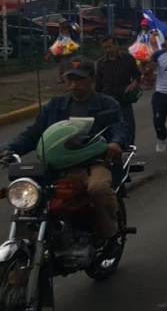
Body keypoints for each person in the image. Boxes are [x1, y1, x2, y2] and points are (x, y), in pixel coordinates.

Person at [6, 58, 128, 249]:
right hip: (56, 165)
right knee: (26, 195)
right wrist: (8, 150)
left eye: (79, 80)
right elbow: (33, 134)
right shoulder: (55, 106)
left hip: (93, 163)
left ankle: (109, 235)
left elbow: (120, 127)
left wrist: (115, 143)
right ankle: (25, 243)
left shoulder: (106, 104)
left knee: (98, 189)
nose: (74, 85)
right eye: (69, 80)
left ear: (92, 79)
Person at [95, 37, 142, 146]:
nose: (108, 50)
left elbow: (137, 75)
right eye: (105, 48)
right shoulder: (101, 63)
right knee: (110, 126)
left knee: (128, 124)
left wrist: (134, 84)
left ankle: (129, 148)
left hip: (124, 98)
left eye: (110, 47)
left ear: (117, 45)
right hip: (107, 99)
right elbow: (98, 84)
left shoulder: (128, 59)